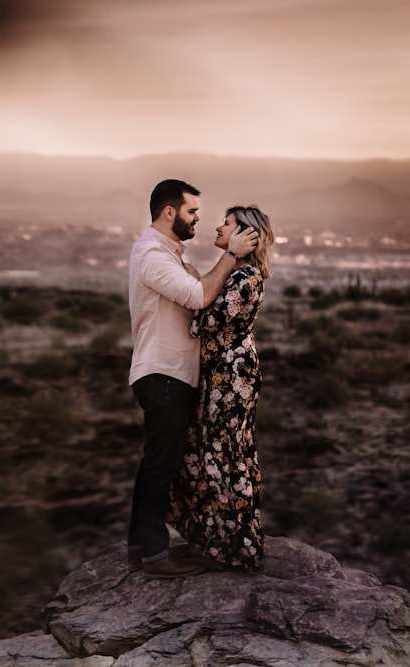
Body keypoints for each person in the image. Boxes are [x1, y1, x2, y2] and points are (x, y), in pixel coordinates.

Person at [127, 180, 258, 579]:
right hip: (162, 372)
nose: (199, 219)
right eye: (192, 212)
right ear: (170, 212)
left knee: (157, 462)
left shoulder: (171, 254)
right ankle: (154, 557)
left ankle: (140, 547)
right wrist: (231, 257)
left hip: (173, 374)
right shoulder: (152, 256)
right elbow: (199, 298)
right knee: (161, 466)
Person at [168, 205, 275, 573]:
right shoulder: (238, 274)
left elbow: (204, 322)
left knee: (224, 454)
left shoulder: (243, 277)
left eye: (226, 224)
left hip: (230, 376)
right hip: (222, 373)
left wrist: (198, 292)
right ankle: (215, 541)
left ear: (246, 235)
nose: (217, 227)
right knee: (216, 452)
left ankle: (235, 548)